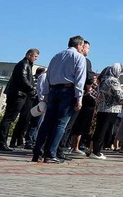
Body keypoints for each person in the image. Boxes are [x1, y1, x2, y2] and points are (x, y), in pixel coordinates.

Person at [32, 36, 87, 164]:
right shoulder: (79, 58)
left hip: (53, 90)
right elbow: (80, 79)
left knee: (47, 122)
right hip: (68, 91)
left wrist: (45, 95)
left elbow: (47, 76)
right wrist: (79, 98)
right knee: (61, 124)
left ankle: (37, 152)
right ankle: (51, 153)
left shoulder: (56, 56)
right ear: (79, 45)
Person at [0, 48, 39, 152]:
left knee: (19, 118)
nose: (36, 59)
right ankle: (1, 143)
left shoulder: (27, 64)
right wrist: (31, 88)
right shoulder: (23, 64)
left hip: (21, 95)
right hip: (17, 95)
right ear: (29, 55)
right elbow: (23, 79)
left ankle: (11, 141)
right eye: (35, 56)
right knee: (9, 118)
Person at [58, 40, 93, 159]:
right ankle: (59, 149)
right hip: (72, 93)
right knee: (66, 123)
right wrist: (82, 95)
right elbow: (85, 79)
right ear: (81, 47)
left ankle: (50, 148)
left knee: (56, 122)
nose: (87, 50)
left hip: (56, 91)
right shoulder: (83, 60)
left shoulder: (60, 56)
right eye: (86, 47)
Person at [89, 63, 123, 159]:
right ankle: (96, 152)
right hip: (111, 109)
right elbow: (119, 96)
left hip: (102, 108)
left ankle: (94, 150)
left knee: (99, 129)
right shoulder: (114, 81)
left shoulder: (104, 79)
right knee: (103, 130)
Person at [24, 67, 47, 150]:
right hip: (41, 100)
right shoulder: (44, 76)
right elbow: (40, 89)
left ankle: (33, 139)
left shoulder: (48, 76)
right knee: (36, 121)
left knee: (40, 122)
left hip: (44, 101)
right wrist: (42, 99)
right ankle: (30, 141)